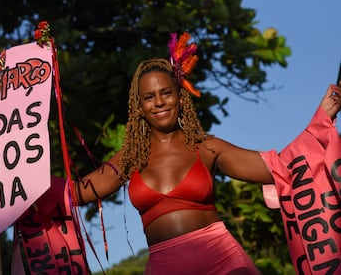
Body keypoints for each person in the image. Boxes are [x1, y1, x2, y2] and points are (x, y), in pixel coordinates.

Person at [71, 52, 341, 274]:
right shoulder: (131, 157)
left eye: (166, 92)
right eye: (149, 97)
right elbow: (78, 192)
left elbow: (279, 167)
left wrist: (320, 120)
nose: (159, 102)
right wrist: (31, 185)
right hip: (165, 267)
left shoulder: (207, 147)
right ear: (139, 106)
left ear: (179, 96)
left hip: (222, 261)